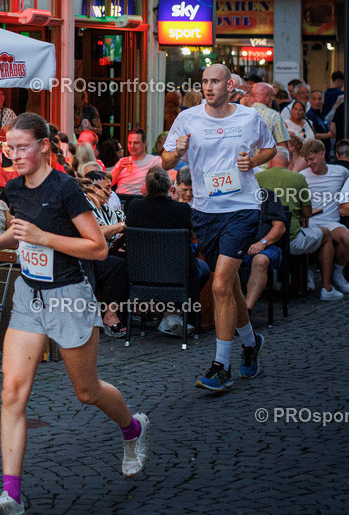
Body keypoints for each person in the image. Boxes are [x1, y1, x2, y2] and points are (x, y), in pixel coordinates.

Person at [0, 113, 149, 515]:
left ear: (45, 145)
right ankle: (10, 497)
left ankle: (133, 428)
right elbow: (18, 234)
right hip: (28, 295)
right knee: (12, 391)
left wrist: (44, 237)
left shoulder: (65, 188)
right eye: (8, 148)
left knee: (87, 392)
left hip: (70, 297)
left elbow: (98, 247)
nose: (13, 155)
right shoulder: (13, 189)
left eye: (22, 147)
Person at [162, 64, 274, 391]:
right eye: (205, 82)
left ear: (230, 85)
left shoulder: (249, 117)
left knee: (221, 284)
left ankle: (220, 366)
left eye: (215, 82)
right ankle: (251, 343)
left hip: (242, 208)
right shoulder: (188, 118)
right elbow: (166, 159)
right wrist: (177, 153)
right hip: (205, 211)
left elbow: (271, 148)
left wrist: (253, 161)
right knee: (230, 287)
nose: (209, 88)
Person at [126, 168, 211, 338]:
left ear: (147, 187)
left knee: (166, 270)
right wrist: (178, 201)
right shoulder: (182, 210)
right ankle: (174, 313)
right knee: (204, 269)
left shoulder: (134, 207)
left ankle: (167, 314)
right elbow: (195, 233)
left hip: (141, 274)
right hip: (177, 274)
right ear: (169, 187)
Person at [256, 147, 338, 298]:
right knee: (326, 234)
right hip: (289, 239)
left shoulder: (258, 178)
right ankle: (327, 288)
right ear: (287, 160)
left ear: (270, 161)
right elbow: (307, 213)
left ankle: (288, 281)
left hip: (262, 238)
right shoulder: (297, 178)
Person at [79, 170, 128, 337]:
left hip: (104, 254)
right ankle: (110, 315)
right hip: (87, 258)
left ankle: (138, 308)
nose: (110, 193)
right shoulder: (86, 206)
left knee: (134, 261)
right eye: (106, 188)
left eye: (110, 188)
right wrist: (122, 226)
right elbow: (98, 231)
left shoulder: (105, 208)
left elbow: (122, 221)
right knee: (119, 265)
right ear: (93, 188)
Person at [299, 139, 349, 294]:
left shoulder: (340, 172)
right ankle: (308, 272)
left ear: (322, 154)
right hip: (310, 222)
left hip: (331, 222)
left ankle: (337, 272)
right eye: (307, 160)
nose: (309, 163)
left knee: (347, 237)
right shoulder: (302, 176)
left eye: (312, 159)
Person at [240, 189, 288, 311]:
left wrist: (263, 243)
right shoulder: (231, 196)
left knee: (260, 260)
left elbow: (280, 227)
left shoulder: (268, 195)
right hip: (237, 245)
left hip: (266, 245)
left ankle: (246, 311)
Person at [110, 129, 161, 206]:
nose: (132, 146)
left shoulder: (154, 161)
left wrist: (151, 184)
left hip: (141, 200)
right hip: (121, 200)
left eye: (136, 143)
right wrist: (118, 169)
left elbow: (169, 178)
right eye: (129, 143)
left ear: (144, 143)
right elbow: (108, 183)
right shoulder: (122, 161)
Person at [250, 82, 290, 151]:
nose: (273, 99)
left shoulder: (243, 114)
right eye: (272, 96)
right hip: (268, 161)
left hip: (247, 160)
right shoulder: (274, 116)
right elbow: (283, 147)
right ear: (266, 96)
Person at [306, 89, 336, 158]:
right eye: (314, 99)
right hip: (317, 152)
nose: (317, 102)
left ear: (323, 101)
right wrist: (329, 135)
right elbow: (314, 135)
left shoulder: (322, 114)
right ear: (310, 101)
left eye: (319, 99)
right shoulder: (309, 116)